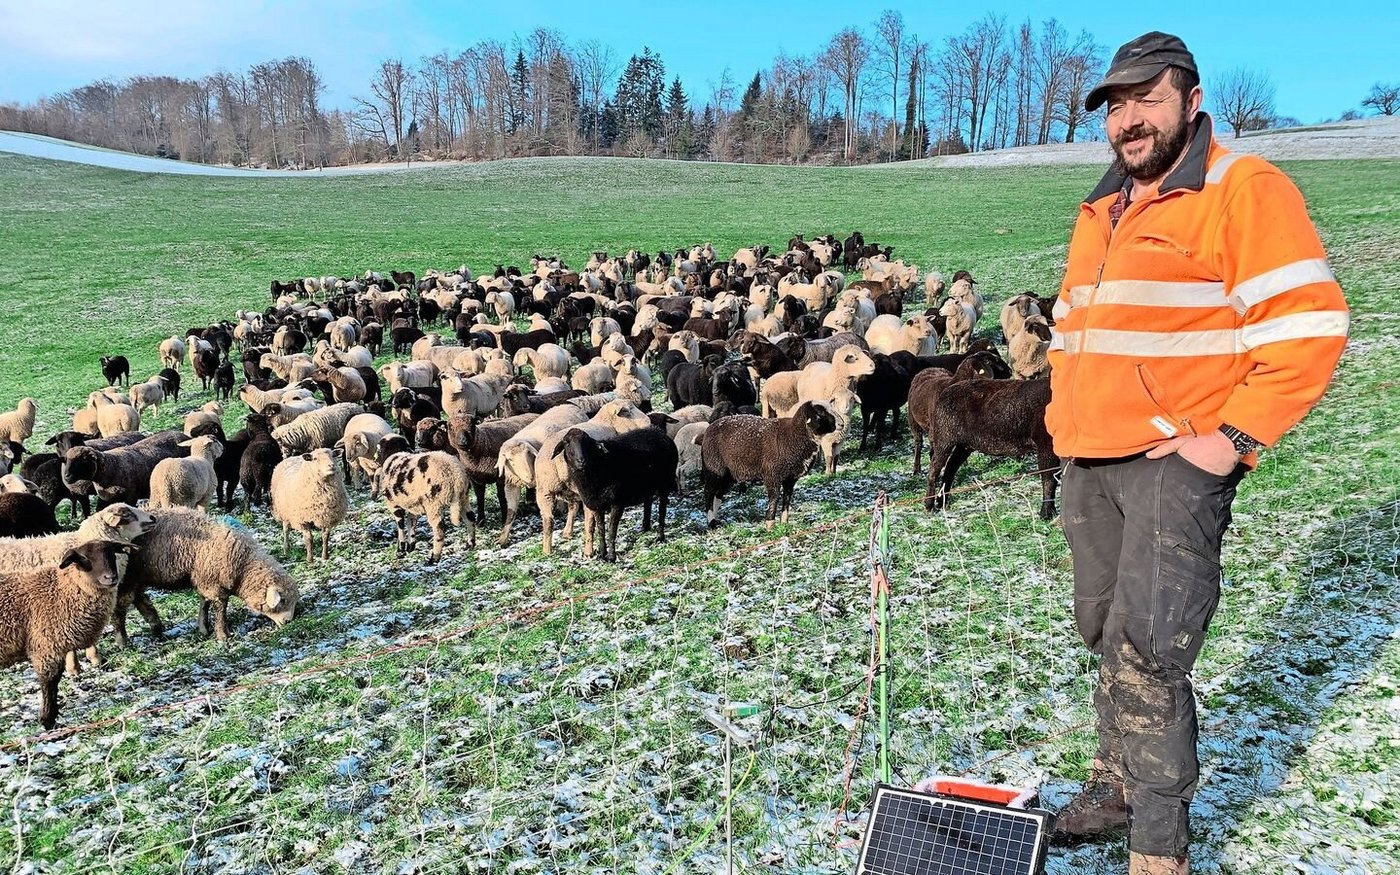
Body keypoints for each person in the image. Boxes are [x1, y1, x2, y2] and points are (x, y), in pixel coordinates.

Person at [1044, 31, 1349, 875]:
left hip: (1170, 468)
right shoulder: (1101, 207)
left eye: (1147, 98)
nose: (1128, 119)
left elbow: (1310, 328)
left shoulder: (1240, 189)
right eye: (1115, 105)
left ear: (1191, 97)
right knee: (1104, 629)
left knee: (1152, 644)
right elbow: (1077, 326)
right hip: (1090, 460)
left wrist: (1229, 441)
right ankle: (1116, 783)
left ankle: (1158, 845)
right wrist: (1067, 418)